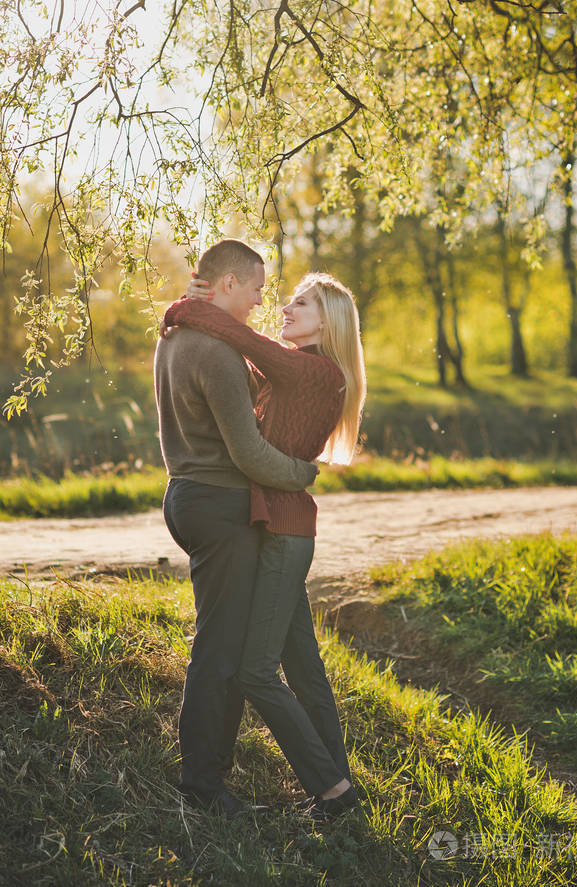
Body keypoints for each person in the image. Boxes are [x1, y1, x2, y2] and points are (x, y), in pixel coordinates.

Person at [162, 267, 367, 821]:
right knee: (303, 665)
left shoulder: (315, 373)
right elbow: (241, 351)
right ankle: (341, 784)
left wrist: (181, 309)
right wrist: (198, 303)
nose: (284, 308)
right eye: (287, 301)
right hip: (280, 528)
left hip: (282, 532)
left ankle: (332, 791)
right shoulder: (304, 371)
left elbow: (241, 338)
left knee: (257, 670)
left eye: (300, 304)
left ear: (330, 321)